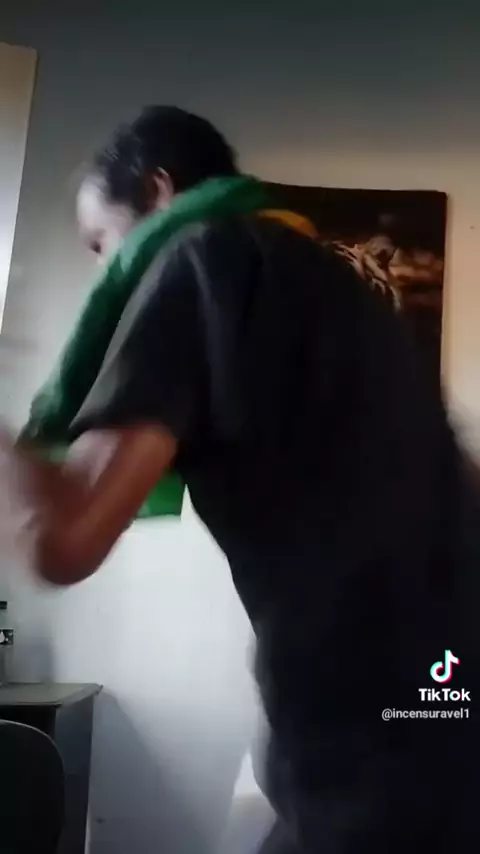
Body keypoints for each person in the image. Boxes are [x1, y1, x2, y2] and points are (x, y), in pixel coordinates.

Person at [2, 106, 480, 853]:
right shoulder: (335, 284)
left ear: (158, 191)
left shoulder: (198, 255)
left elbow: (62, 538)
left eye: (101, 243)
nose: (106, 272)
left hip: (379, 742)